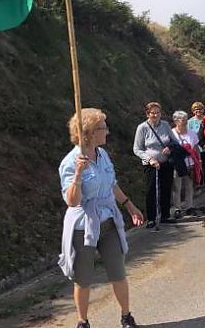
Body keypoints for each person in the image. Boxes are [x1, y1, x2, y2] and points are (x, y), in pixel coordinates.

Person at [58, 108, 144, 328]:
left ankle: (126, 316)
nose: (107, 131)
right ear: (89, 132)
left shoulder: (102, 154)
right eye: (103, 127)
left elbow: (112, 184)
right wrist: (77, 175)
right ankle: (82, 321)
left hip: (108, 221)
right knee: (83, 278)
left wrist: (130, 206)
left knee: (118, 271)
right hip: (83, 225)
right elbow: (72, 201)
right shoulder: (70, 162)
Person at [133, 102, 177, 227]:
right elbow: (137, 149)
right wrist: (149, 159)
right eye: (153, 113)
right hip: (150, 164)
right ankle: (151, 218)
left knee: (166, 189)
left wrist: (169, 147)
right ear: (148, 114)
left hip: (165, 162)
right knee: (151, 191)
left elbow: (174, 141)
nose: (156, 115)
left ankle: (165, 215)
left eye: (158, 112)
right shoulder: (142, 128)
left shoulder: (165, 125)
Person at [171, 110, 202, 217]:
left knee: (189, 186)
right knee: (177, 187)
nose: (184, 121)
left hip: (190, 163)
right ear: (175, 121)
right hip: (178, 164)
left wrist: (199, 161)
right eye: (181, 119)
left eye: (185, 119)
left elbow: (196, 148)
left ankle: (189, 207)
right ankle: (177, 208)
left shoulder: (192, 133)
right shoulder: (172, 133)